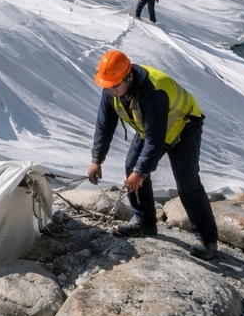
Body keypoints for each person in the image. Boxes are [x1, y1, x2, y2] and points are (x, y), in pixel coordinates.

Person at [87, 49, 219, 260]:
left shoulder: (152, 91)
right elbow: (104, 126)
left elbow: (155, 140)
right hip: (149, 129)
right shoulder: (112, 87)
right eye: (107, 86)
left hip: (183, 127)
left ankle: (207, 239)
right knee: (132, 167)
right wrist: (97, 159)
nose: (111, 90)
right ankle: (145, 222)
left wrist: (141, 172)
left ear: (128, 76)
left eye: (114, 86)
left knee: (187, 182)